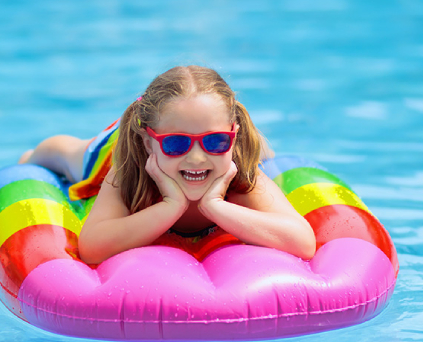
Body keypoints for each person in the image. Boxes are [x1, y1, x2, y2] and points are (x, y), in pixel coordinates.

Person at [19, 66, 316, 264]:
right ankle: (33, 154)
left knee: (262, 152)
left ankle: (246, 140)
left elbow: (302, 242)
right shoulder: (127, 171)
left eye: (214, 141)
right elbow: (93, 247)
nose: (197, 157)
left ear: (231, 138)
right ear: (151, 143)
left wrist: (214, 205)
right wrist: (170, 206)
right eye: (177, 143)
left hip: (205, 141)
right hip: (117, 147)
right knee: (71, 156)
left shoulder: (239, 174)